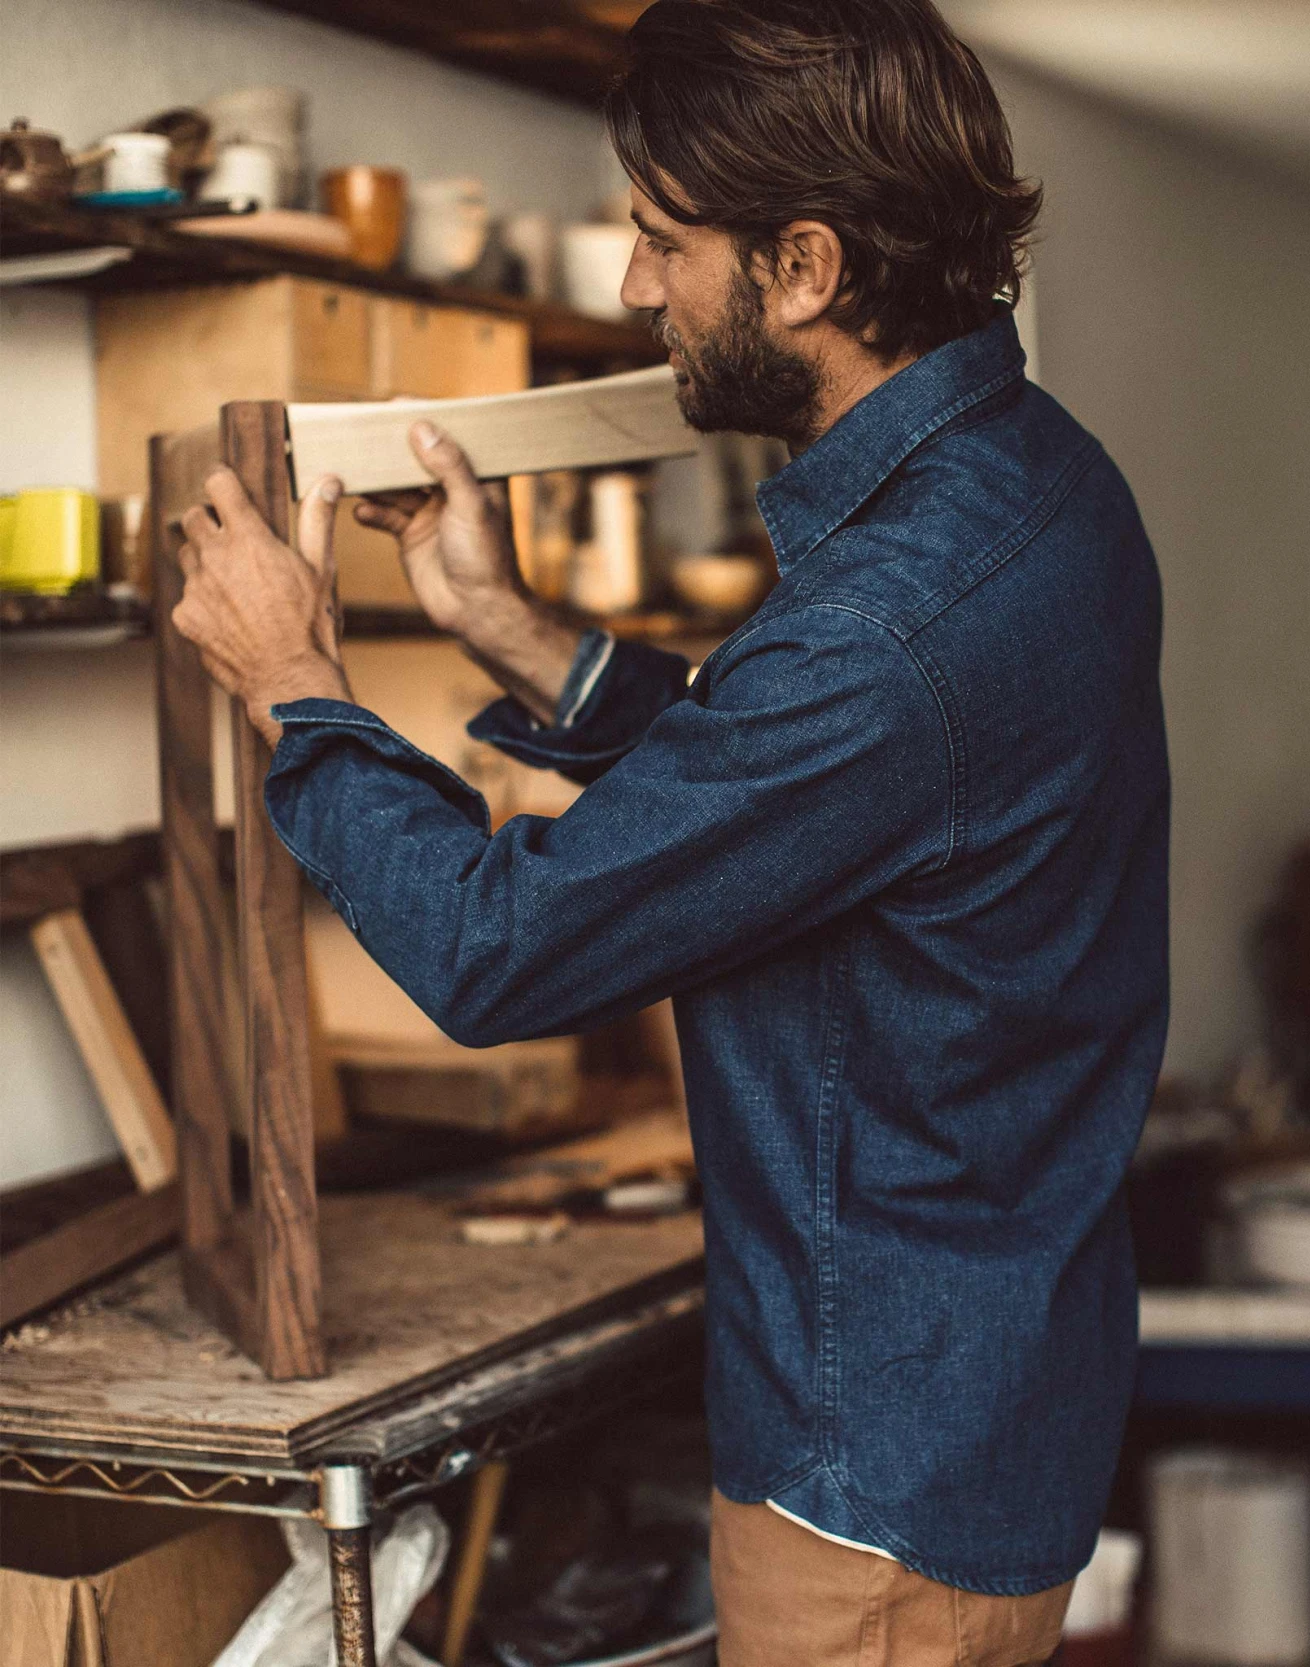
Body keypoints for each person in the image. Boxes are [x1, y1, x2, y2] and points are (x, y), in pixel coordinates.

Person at [173, 2, 1169, 1661]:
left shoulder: (885, 630)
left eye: (660, 238)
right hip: (989, 1389)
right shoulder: (1040, 483)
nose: (638, 285)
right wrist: (513, 631)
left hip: (875, 1477)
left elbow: (502, 944)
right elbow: (813, 795)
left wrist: (297, 686)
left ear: (805, 266)